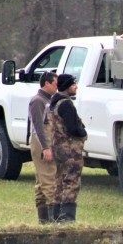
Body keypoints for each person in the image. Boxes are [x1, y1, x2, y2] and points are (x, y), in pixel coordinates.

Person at [50, 74, 87, 223]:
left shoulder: (54, 103)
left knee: (59, 181)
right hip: (70, 149)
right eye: (73, 84)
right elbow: (72, 128)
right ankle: (67, 218)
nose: (76, 86)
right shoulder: (66, 105)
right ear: (66, 86)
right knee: (71, 181)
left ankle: (56, 216)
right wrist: (83, 132)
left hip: (57, 148)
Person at [28, 71, 58, 224]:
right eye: (55, 84)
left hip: (44, 144)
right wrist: (45, 148)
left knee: (41, 184)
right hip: (41, 144)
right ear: (46, 84)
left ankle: (43, 221)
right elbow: (38, 126)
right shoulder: (38, 101)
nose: (56, 87)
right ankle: (54, 221)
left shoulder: (47, 101)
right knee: (49, 181)